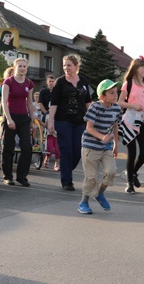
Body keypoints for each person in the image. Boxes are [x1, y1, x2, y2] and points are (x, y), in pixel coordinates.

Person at [48, 54, 92, 191]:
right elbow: (54, 103)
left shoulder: (83, 81)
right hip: (63, 121)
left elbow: (88, 102)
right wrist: (50, 122)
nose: (66, 68)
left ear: (76, 66)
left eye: (69, 65)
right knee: (66, 149)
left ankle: (65, 169)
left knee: (78, 151)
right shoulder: (60, 82)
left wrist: (92, 119)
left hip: (80, 121)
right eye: (64, 65)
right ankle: (67, 181)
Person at [77, 79, 121, 214]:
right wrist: (102, 137)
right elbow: (89, 128)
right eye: (112, 93)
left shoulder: (117, 108)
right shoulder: (95, 107)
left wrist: (116, 144)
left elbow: (115, 125)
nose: (115, 95)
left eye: (116, 92)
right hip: (90, 146)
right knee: (91, 177)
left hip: (106, 147)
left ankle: (99, 194)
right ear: (102, 96)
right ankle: (83, 203)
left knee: (111, 171)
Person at [118, 56, 144, 194]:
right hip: (129, 119)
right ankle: (129, 183)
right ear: (136, 68)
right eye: (143, 67)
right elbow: (120, 102)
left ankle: (132, 172)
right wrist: (133, 105)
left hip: (141, 119)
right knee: (132, 152)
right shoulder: (128, 83)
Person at [1, 58, 35, 187]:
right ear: (14, 67)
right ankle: (7, 176)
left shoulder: (29, 83)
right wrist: (9, 119)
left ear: (27, 68)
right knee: (8, 147)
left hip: (23, 118)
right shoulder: (8, 82)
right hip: (10, 116)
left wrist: (32, 120)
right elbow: (4, 102)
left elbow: (30, 103)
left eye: (24, 66)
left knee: (27, 147)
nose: (22, 68)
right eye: (20, 66)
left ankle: (22, 176)